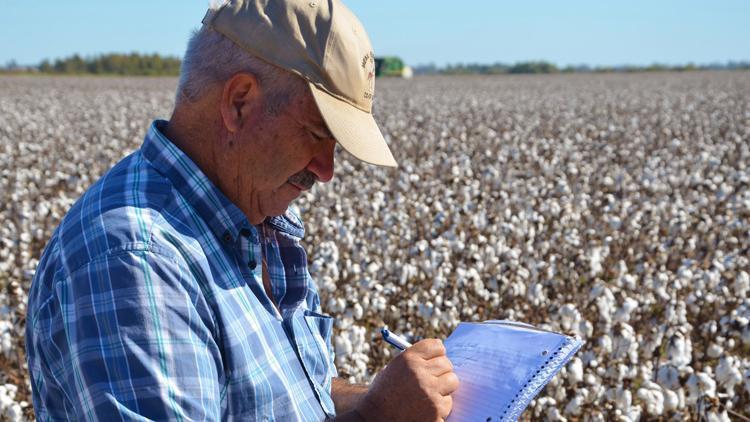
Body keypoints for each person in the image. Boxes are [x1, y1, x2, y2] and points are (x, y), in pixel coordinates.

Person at [25, 0, 459, 420]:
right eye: (316, 133)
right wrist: (377, 417)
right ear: (239, 102)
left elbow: (289, 393)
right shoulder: (137, 264)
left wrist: (395, 399)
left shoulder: (256, 222)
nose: (326, 170)